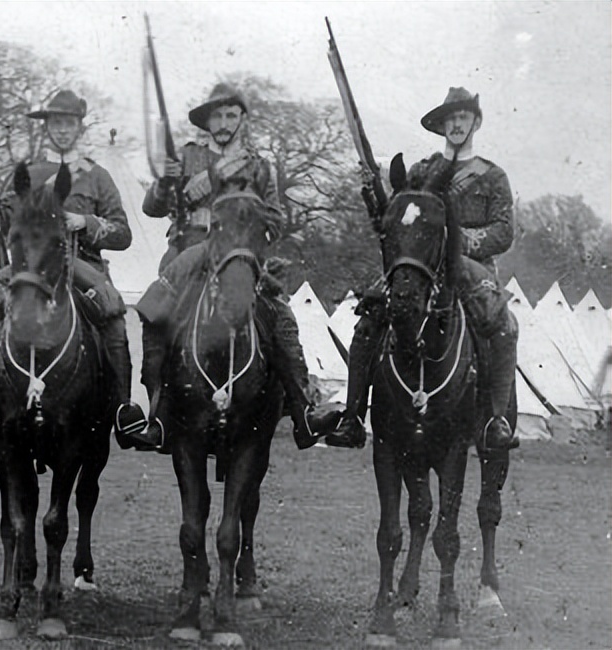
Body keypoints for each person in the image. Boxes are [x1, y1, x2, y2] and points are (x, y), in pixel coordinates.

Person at [0, 89, 146, 441]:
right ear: (47, 127)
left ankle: (123, 408)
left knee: (111, 311)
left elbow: (122, 233)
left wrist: (85, 222)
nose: (62, 130)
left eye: (68, 123)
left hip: (79, 264)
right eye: (56, 123)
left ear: (79, 127)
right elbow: (1, 228)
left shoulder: (97, 176)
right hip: (30, 265)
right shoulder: (27, 173)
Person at [126, 82, 331, 452]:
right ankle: (157, 414)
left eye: (230, 114)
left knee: (281, 317)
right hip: (190, 256)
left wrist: (250, 223)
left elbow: (276, 219)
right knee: (155, 315)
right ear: (206, 121)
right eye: (217, 115)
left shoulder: (259, 166)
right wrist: (165, 182)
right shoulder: (187, 158)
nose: (223, 122)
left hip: (240, 256)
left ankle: (303, 410)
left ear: (241, 119)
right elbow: (152, 208)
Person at [326, 87, 520, 451]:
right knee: (369, 315)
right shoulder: (422, 170)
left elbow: (503, 231)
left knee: (503, 325)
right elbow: (396, 217)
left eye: (463, 117)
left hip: (469, 268)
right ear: (442, 126)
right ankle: (352, 417)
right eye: (451, 118)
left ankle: (496, 418)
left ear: (475, 122)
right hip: (420, 267)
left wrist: (455, 241)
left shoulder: (493, 176)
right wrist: (373, 192)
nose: (457, 123)